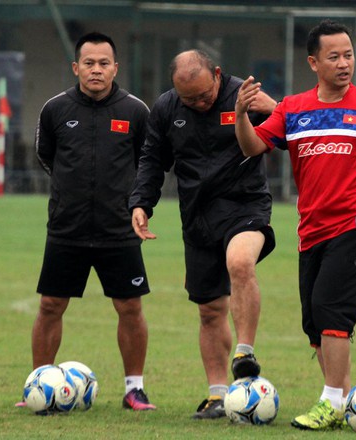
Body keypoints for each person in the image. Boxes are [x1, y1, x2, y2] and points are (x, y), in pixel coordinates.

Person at [235, 19, 356, 430]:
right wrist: (240, 115)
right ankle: (342, 400)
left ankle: (331, 402)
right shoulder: (293, 109)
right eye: (334, 56)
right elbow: (254, 146)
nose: (344, 63)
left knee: (331, 312)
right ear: (313, 62)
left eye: (349, 55)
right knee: (313, 323)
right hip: (311, 232)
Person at [128, 49, 277, 419]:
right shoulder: (165, 109)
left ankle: (245, 352)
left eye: (204, 95)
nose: (198, 103)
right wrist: (141, 204)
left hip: (245, 204)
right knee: (210, 311)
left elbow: (293, 129)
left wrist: (276, 108)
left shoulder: (245, 94)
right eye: (188, 98)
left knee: (240, 262)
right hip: (197, 216)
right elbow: (151, 160)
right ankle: (217, 395)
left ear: (218, 74)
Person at [19, 31, 156, 411]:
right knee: (50, 305)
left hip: (119, 229)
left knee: (130, 307)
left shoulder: (135, 111)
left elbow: (148, 164)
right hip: (67, 226)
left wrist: (132, 203)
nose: (96, 70)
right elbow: (46, 156)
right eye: (89, 63)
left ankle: (134, 389)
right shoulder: (55, 109)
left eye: (104, 63)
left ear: (115, 67)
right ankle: (39, 383)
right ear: (76, 67)